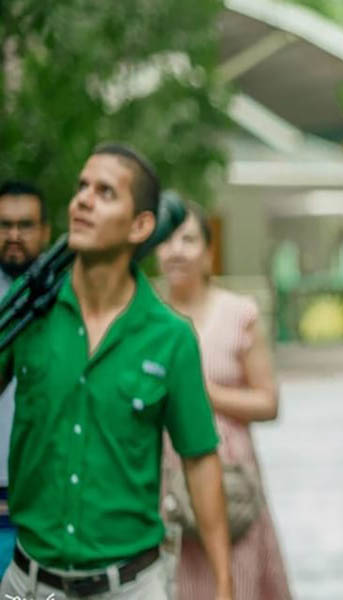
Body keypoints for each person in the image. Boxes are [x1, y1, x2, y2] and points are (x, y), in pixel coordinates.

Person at [0, 145, 233, 600]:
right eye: (82, 187)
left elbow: (200, 460)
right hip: (26, 583)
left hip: (129, 587)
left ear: (141, 225)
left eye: (105, 192)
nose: (83, 200)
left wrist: (223, 584)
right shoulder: (31, 309)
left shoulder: (171, 337)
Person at [156, 201, 291, 600]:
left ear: (208, 252)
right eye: (165, 240)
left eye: (188, 239)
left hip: (232, 489)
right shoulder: (146, 315)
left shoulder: (239, 313)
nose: (176, 250)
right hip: (163, 487)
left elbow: (269, 402)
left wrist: (206, 396)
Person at [0, 181, 52, 575]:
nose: (14, 235)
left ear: (46, 230)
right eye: (4, 225)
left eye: (25, 225)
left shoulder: (69, 300)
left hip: (45, 511)